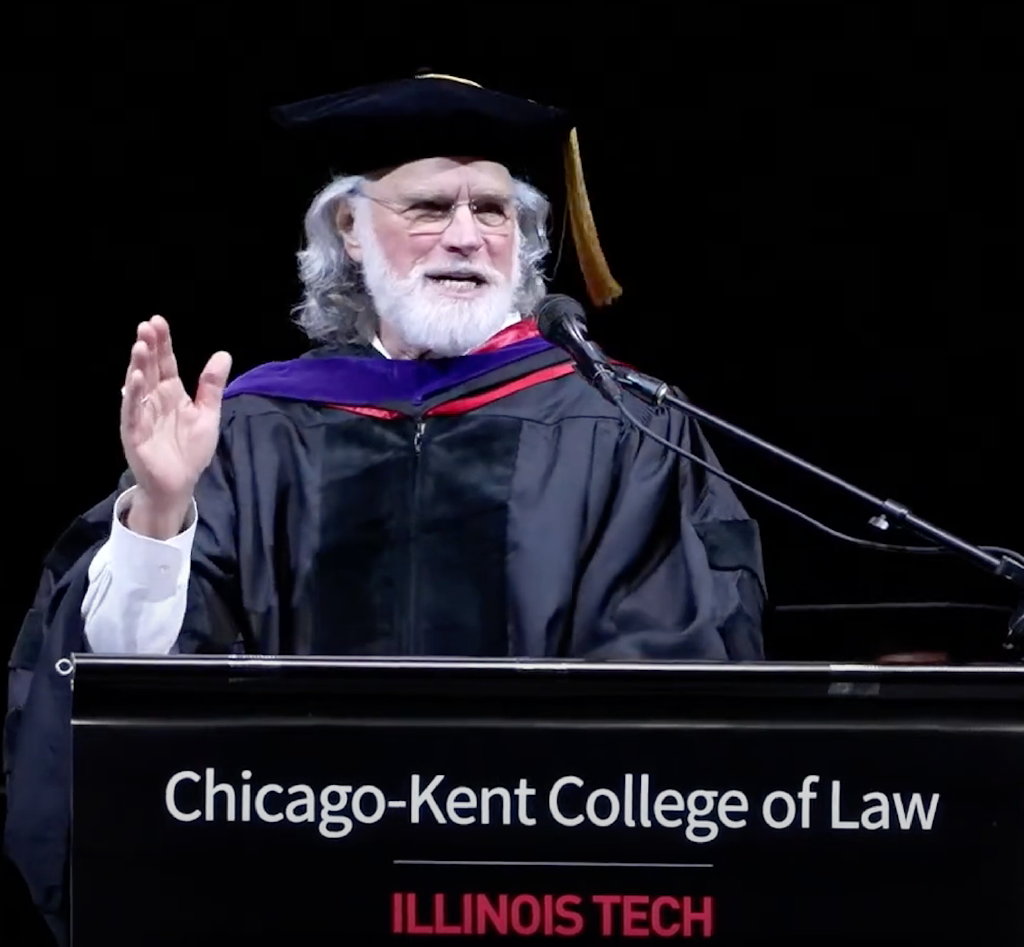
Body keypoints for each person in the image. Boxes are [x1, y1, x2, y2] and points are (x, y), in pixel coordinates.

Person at [4, 73, 766, 942]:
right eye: (429, 208)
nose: (467, 237)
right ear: (349, 231)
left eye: (495, 212)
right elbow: (130, 705)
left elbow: (677, 667)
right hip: (286, 898)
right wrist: (162, 513)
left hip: (535, 902)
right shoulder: (255, 432)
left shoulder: (621, 426)